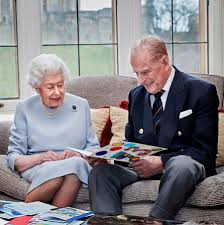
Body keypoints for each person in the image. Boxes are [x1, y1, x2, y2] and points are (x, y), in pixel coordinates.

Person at [88, 36, 219, 220]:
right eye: (136, 73)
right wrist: (109, 159)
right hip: (140, 170)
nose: (141, 80)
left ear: (164, 62)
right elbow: (131, 146)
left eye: (145, 72)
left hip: (180, 170)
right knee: (100, 173)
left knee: (182, 165)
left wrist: (161, 163)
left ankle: (154, 222)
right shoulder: (136, 95)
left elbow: (205, 152)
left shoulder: (201, 91)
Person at [7, 53, 101, 207]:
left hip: (76, 164)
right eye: (50, 87)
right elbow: (14, 158)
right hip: (38, 166)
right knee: (66, 172)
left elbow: (93, 148)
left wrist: (78, 154)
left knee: (73, 168)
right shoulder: (25, 108)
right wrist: (42, 158)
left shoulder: (81, 105)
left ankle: (22, 216)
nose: (57, 92)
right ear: (37, 88)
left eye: (61, 85)